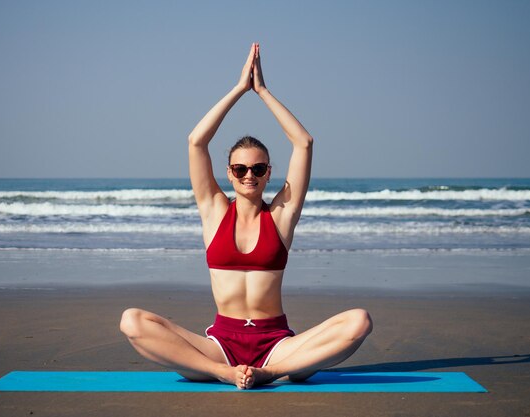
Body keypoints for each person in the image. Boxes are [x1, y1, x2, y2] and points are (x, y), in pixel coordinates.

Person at [120, 43, 372, 389]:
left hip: (279, 347)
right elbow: (196, 142)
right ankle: (226, 374)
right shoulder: (213, 210)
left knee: (358, 321)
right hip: (219, 347)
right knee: (132, 321)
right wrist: (239, 89)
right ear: (229, 172)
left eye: (257, 168)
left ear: (269, 172)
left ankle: (266, 374)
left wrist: (264, 92)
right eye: (240, 168)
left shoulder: (282, 215)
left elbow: (304, 142)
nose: (249, 175)